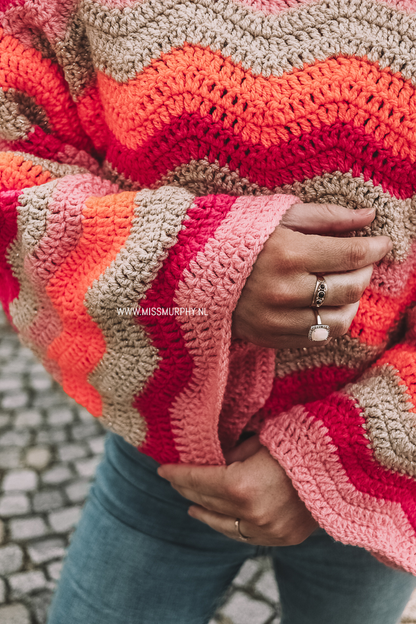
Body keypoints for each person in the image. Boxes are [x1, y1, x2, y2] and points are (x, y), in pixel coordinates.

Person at [0, 0, 415, 622]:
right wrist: (196, 270)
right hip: (161, 453)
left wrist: (336, 461)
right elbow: (15, 164)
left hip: (377, 468)